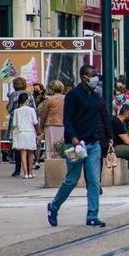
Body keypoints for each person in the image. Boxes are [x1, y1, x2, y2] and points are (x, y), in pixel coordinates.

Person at [47, 65, 109, 227]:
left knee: (94, 180)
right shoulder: (73, 95)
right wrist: (73, 137)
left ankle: (92, 215)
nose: (96, 78)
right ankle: (53, 207)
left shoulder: (95, 97)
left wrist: (108, 138)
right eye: (93, 75)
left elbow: (101, 119)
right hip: (75, 145)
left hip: (92, 143)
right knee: (72, 180)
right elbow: (67, 118)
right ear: (84, 78)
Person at [6, 77, 37, 177]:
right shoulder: (29, 95)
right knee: (30, 150)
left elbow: (9, 108)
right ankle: (30, 170)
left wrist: (9, 98)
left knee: (19, 148)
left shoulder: (14, 95)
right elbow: (35, 109)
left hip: (18, 125)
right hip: (29, 126)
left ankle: (18, 169)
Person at [39, 80, 66, 159]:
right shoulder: (66, 98)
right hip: (63, 124)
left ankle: (51, 163)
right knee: (61, 144)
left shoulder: (49, 99)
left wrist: (41, 125)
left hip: (51, 123)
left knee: (50, 146)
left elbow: (44, 113)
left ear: (52, 89)